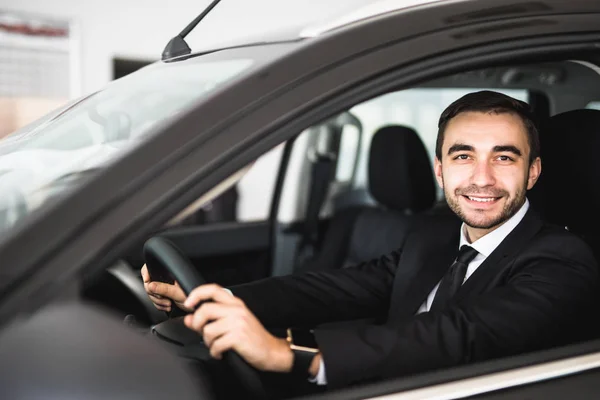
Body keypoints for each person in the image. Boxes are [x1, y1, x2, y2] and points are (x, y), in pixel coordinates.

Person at [142, 90, 598, 390]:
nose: (482, 178)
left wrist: (292, 357)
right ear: (439, 170)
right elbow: (341, 288)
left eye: (504, 157)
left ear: (532, 172)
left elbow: (457, 336)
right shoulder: (435, 235)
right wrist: (212, 298)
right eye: (463, 156)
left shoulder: (562, 260)